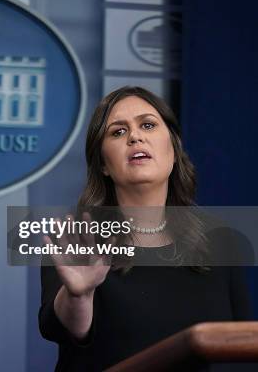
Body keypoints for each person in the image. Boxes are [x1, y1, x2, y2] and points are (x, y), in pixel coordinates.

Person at [39, 86, 254, 371]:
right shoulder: (77, 241)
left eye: (148, 125)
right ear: (103, 164)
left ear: (174, 151)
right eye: (117, 132)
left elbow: (244, 352)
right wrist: (79, 295)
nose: (135, 136)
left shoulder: (223, 242)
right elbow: (63, 329)